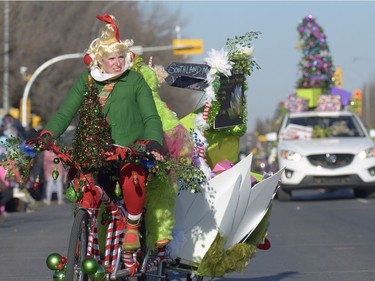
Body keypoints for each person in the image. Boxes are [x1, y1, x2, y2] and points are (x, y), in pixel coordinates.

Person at [36, 14, 165, 269]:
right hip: (94, 151)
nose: (117, 63)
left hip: (129, 151)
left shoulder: (134, 81)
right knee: (86, 187)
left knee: (133, 179)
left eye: (120, 57)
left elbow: (151, 116)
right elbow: (65, 113)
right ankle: (85, 235)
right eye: (111, 58)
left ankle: (131, 229)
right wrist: (47, 135)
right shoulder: (86, 82)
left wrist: (152, 142)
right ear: (98, 60)